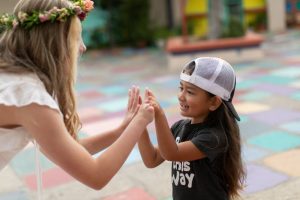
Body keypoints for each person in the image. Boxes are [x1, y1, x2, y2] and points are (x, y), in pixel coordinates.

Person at [0, 0, 154, 193]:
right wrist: (141, 121)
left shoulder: (13, 80)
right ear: (56, 43)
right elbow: (96, 175)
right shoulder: (28, 97)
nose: (82, 47)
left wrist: (122, 129)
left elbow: (72, 150)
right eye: (76, 38)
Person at [138, 57, 246, 200]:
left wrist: (159, 115)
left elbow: (171, 154)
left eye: (190, 92)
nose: (181, 96)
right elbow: (151, 159)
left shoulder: (214, 138)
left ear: (213, 102)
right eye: (181, 88)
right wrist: (138, 123)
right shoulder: (180, 127)